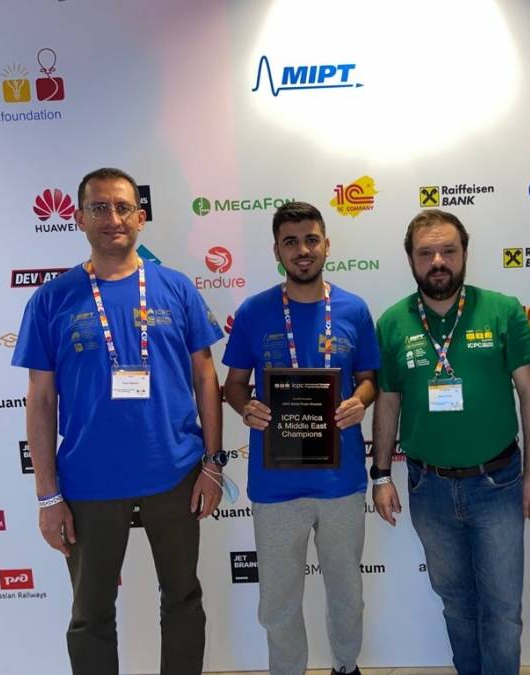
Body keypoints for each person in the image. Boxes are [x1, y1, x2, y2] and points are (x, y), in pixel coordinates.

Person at [12, 167, 225, 675]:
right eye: (100, 208)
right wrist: (47, 495)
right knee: (90, 615)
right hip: (88, 481)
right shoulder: (52, 298)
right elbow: (40, 401)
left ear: (141, 217)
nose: (113, 218)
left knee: (183, 599)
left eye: (123, 207)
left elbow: (205, 377)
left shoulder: (176, 288)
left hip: (175, 472)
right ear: (79, 218)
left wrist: (213, 463)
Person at [371, 209, 530, 674]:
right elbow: (387, 400)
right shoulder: (392, 322)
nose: (438, 261)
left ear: (465, 253)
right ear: (411, 259)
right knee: (456, 604)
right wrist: (381, 476)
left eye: (448, 250)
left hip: (499, 484)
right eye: (426, 253)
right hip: (428, 488)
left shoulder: (503, 310)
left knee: (503, 610)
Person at [222, 201, 380, 675]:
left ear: (326, 245)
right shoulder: (253, 311)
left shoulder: (354, 309)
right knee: (278, 600)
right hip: (276, 484)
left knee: (347, 593)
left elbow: (369, 379)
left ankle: (346, 667)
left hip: (340, 481)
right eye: (290, 242)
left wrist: (361, 401)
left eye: (311, 239)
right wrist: (245, 406)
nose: (303, 250)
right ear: (277, 251)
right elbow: (233, 385)